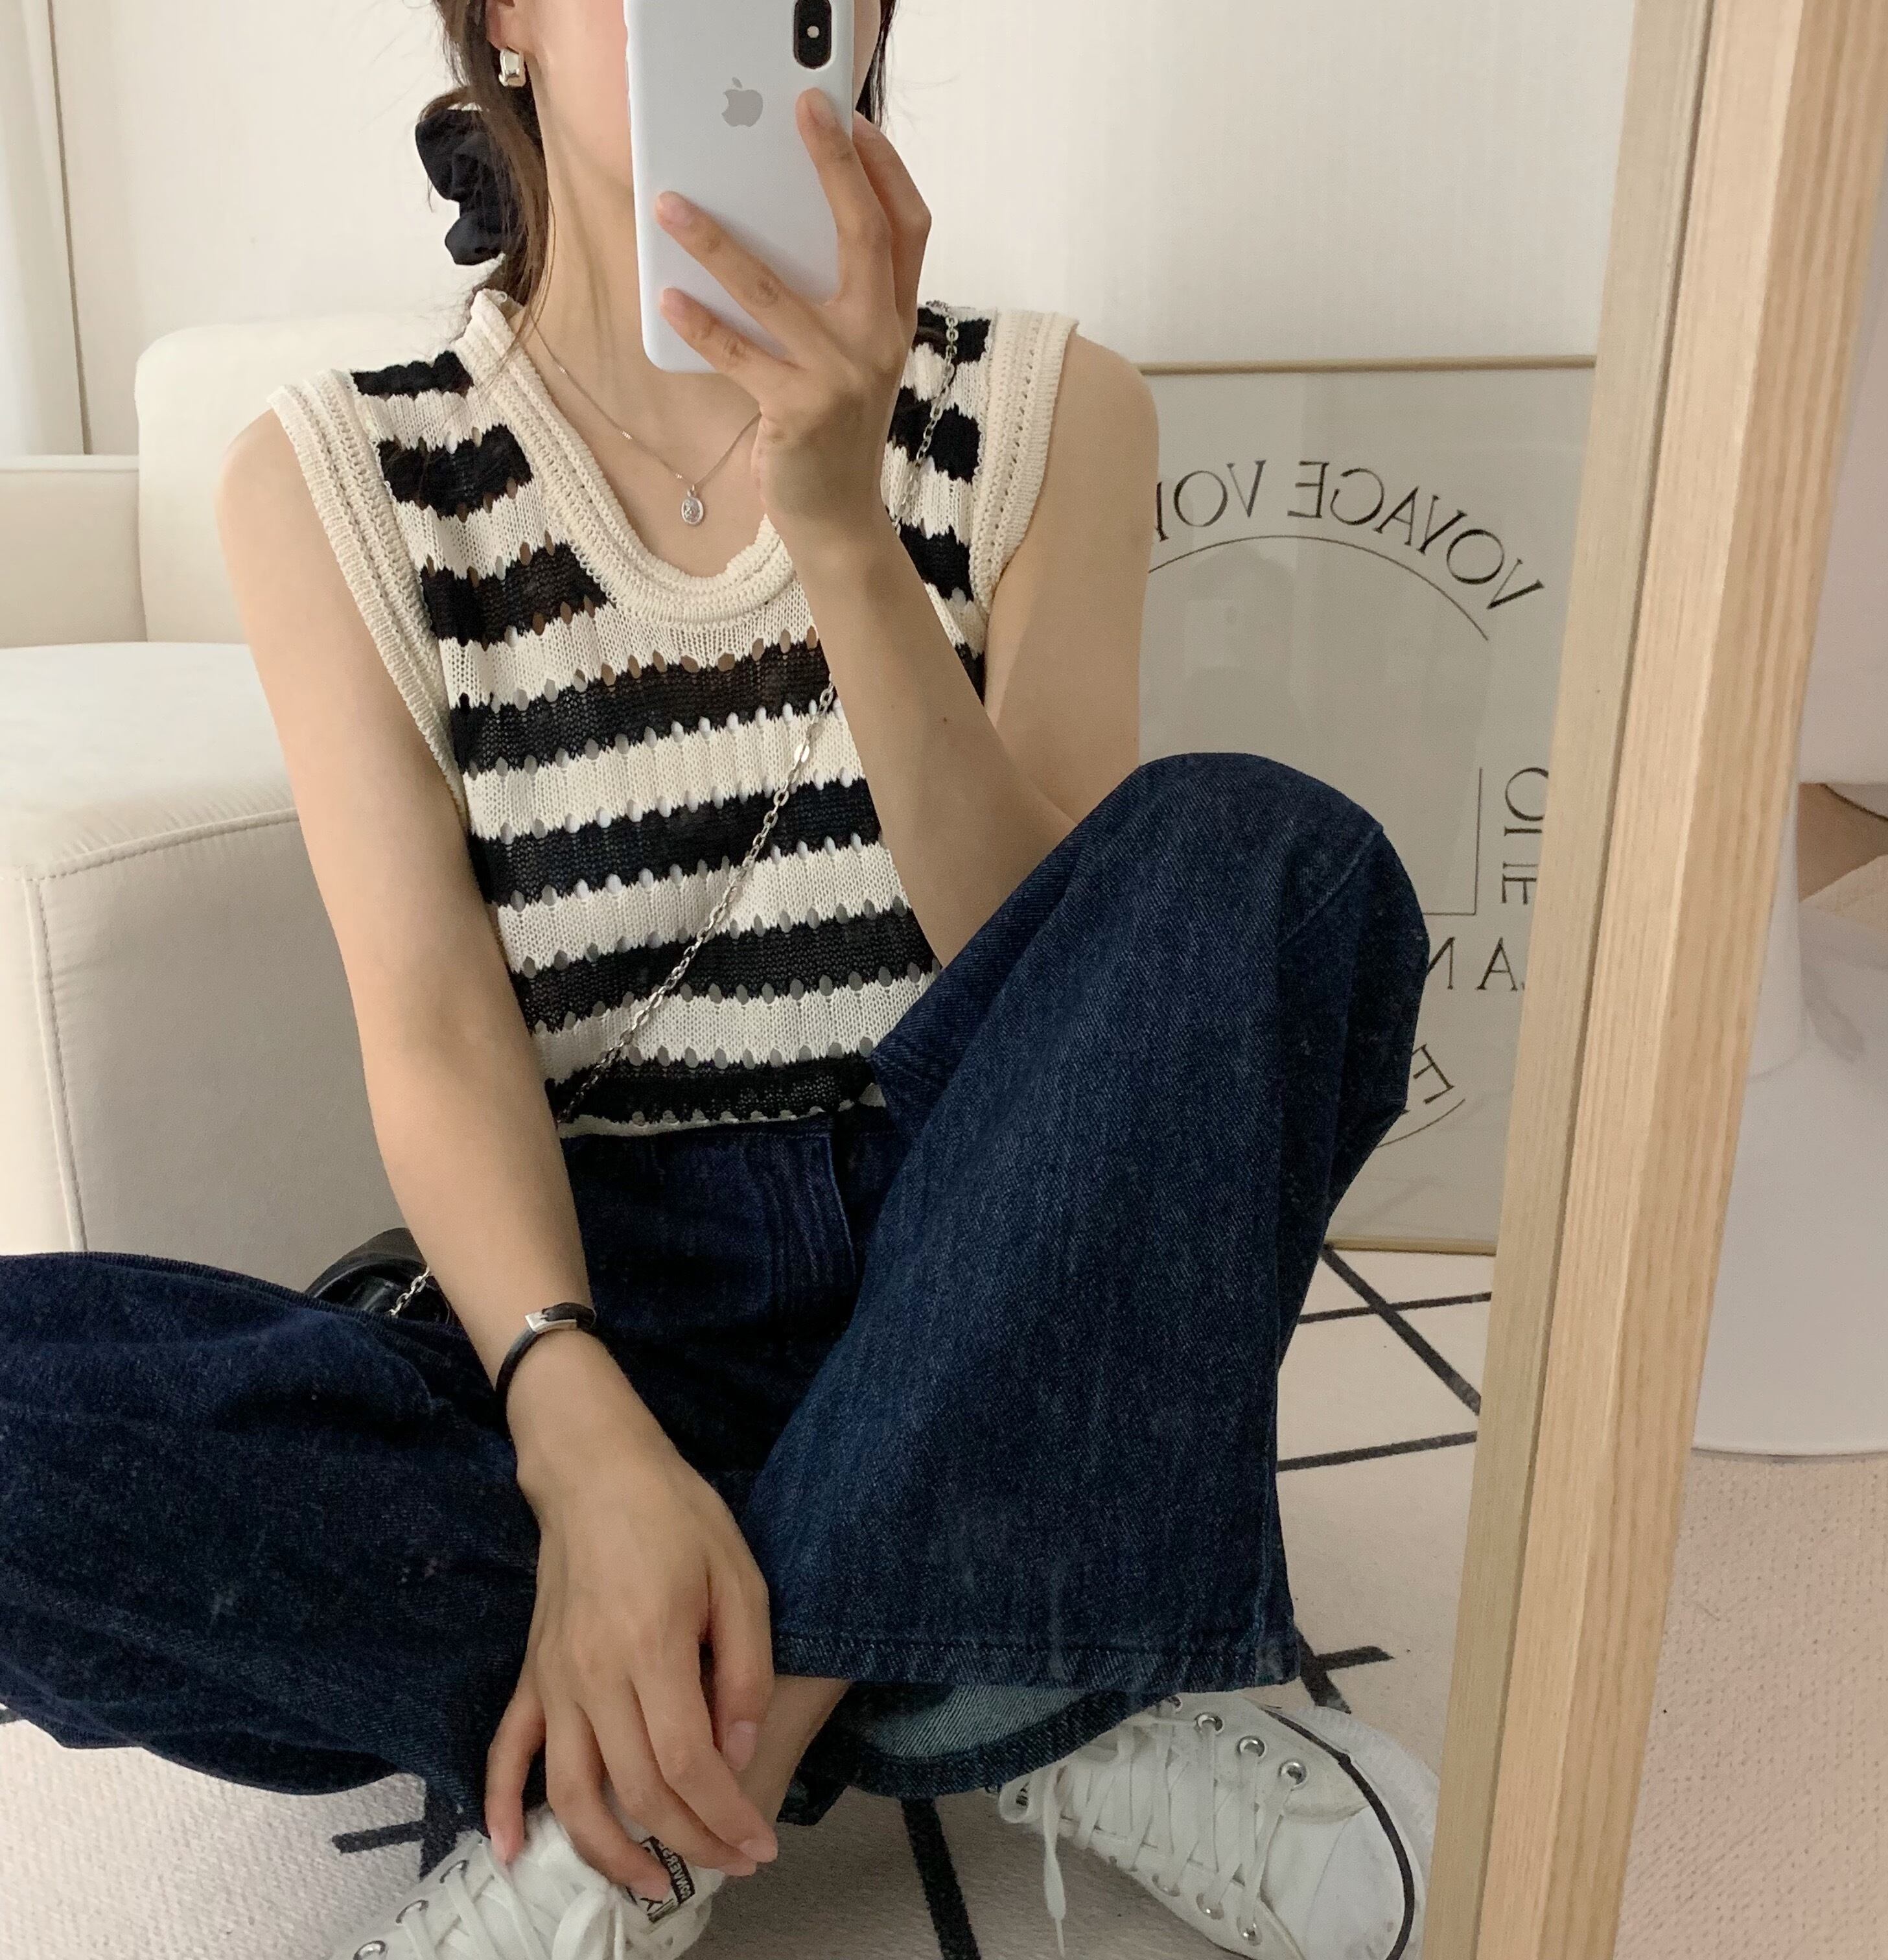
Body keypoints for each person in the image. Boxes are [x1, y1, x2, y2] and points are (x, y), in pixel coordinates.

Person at [0, 3, 1440, 1955]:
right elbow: (433, 1023)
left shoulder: (1049, 407)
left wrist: (839, 521)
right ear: (505, 17)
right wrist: (573, 1431)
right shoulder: (336, 476)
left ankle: (669, 1802)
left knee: (1262, 861)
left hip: (979, 1242)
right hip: (594, 1299)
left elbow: (1069, 977)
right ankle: (1015, 1643)